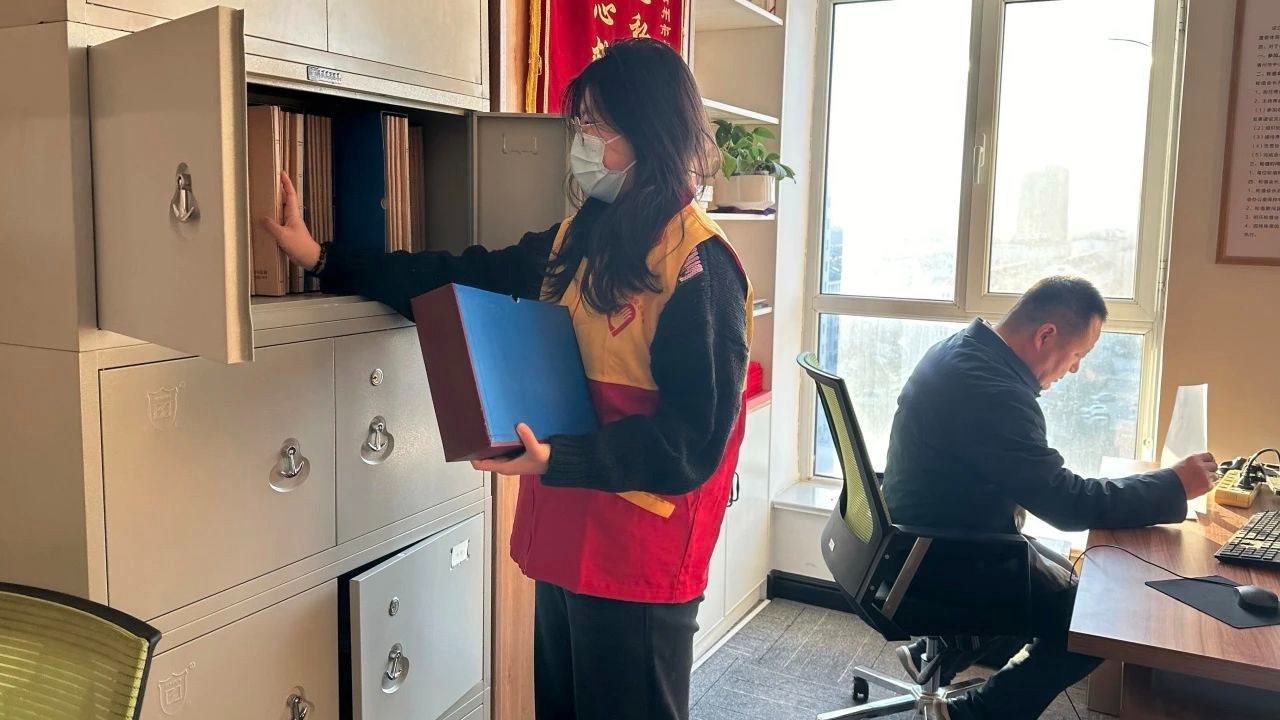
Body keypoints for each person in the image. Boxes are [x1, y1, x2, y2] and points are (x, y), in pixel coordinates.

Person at [261, 38, 752, 720]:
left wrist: (561, 457)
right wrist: (323, 258)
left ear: (648, 134)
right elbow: (458, 277)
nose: (582, 142)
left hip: (636, 556)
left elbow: (692, 444)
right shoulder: (578, 240)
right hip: (566, 537)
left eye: (597, 127)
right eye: (580, 124)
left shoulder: (700, 267)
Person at [878, 276, 1216, 720]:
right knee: (1102, 614)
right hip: (943, 560)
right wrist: (1174, 485)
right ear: (1046, 336)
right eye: (1078, 355)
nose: (1074, 369)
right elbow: (1067, 505)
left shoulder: (962, 349)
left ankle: (945, 652)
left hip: (916, 540)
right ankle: (974, 714)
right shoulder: (992, 391)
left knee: (1076, 580)